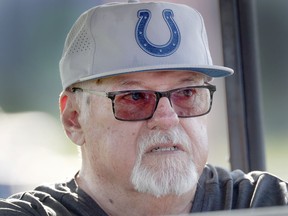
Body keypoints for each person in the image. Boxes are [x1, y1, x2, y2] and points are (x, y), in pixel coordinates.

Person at [0, 0, 287, 215]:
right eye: (135, 97)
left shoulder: (266, 202)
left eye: (187, 92)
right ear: (74, 118)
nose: (167, 118)